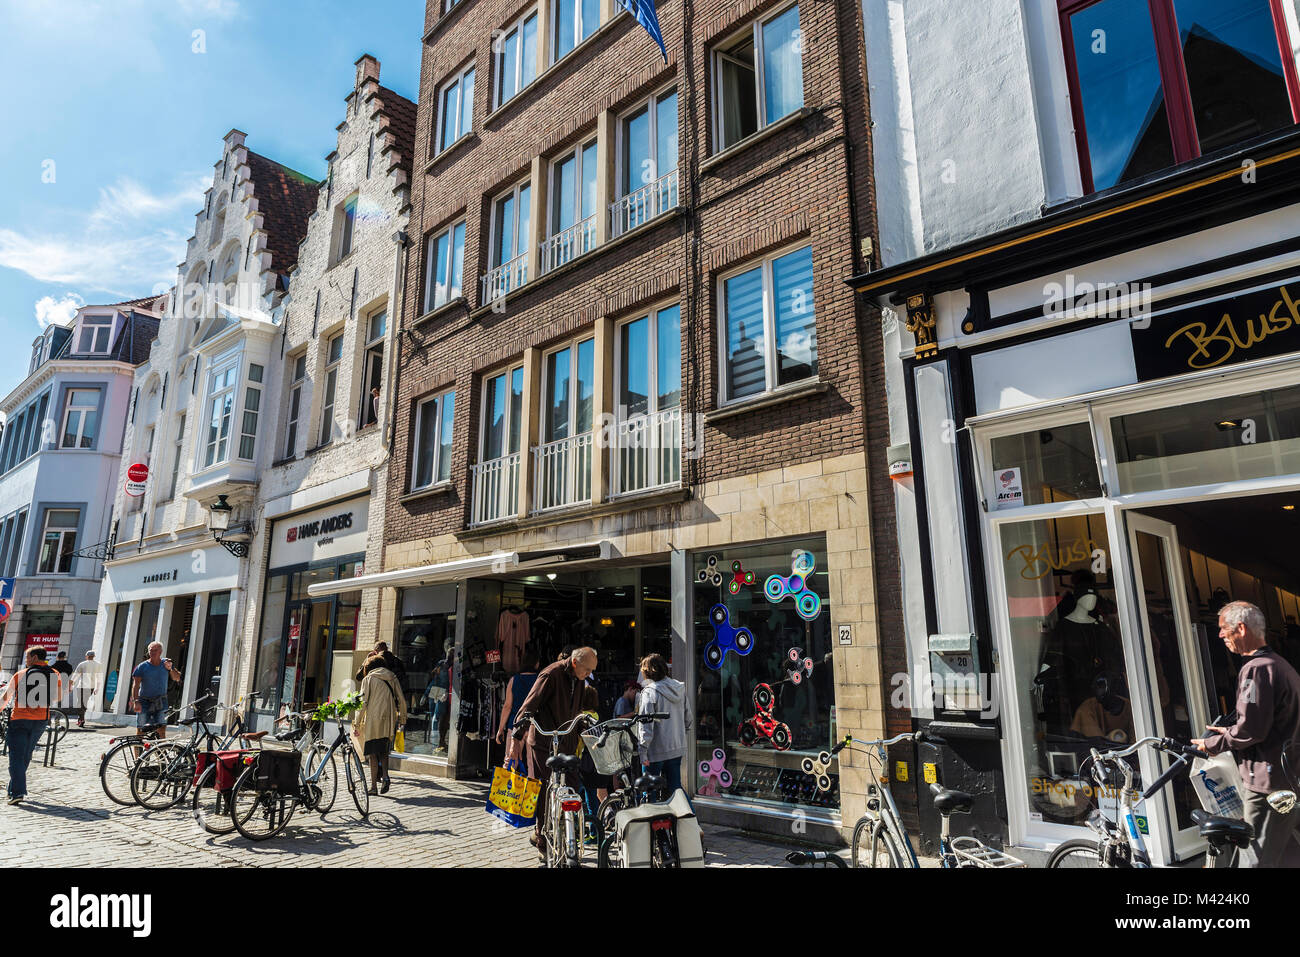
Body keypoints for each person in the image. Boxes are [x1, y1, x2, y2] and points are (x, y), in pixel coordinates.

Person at [1193, 601, 1300, 868]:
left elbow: (1252, 729)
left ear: (1240, 628)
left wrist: (1212, 744)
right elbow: (1267, 722)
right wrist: (1232, 730)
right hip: (1286, 776)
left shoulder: (1256, 669)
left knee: (1254, 860)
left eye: (1223, 629)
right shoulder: (1280, 665)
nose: (1220, 635)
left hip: (1268, 783)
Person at [508, 646, 598, 860]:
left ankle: (568, 832)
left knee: (573, 786)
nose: (588, 676)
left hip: (567, 742)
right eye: (586, 670)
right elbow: (527, 707)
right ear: (575, 663)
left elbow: (577, 712)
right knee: (546, 788)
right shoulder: (550, 674)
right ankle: (541, 837)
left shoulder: (579, 679)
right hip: (543, 741)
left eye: (590, 672)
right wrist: (515, 739)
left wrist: (588, 733)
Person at [1, 647, 62, 805]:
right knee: (26, 755)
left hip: (20, 719)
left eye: (27, 657)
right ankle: (13, 789)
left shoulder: (21, 674)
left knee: (16, 757)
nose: (26, 660)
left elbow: (5, 697)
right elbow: (57, 697)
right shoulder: (54, 673)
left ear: (34, 657)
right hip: (41, 720)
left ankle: (17, 792)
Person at [635, 653, 693, 807]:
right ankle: (692, 823)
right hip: (676, 747)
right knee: (676, 790)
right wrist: (679, 734)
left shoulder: (649, 692)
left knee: (649, 791)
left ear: (647, 672)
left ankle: (651, 828)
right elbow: (689, 719)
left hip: (655, 751)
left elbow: (645, 725)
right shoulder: (679, 688)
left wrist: (642, 750)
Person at [355, 650, 406, 795]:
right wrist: (402, 718)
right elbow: (401, 699)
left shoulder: (368, 679)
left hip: (373, 720)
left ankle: (373, 787)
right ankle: (385, 776)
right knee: (384, 750)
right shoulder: (392, 677)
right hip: (389, 719)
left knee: (372, 753)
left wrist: (357, 723)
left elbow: (363, 703)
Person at [129, 642, 182, 737]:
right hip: (144, 701)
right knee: (141, 730)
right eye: (151, 650)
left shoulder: (166, 663)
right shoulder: (142, 667)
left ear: (160, 652)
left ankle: (159, 751)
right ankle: (139, 750)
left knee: (161, 730)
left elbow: (177, 678)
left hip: (161, 701)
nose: (152, 652)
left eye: (155, 650)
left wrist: (170, 669)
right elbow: (135, 686)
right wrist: (136, 701)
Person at [495, 651, 540, 750]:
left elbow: (507, 706)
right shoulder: (540, 680)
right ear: (537, 664)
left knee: (510, 759)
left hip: (515, 724)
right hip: (533, 725)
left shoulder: (514, 680)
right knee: (532, 762)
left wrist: (501, 729)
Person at [71, 651, 97, 727]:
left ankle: (81, 719)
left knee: (80, 703)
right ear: (93, 656)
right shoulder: (97, 665)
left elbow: (75, 675)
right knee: (84, 703)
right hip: (91, 687)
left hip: (82, 686)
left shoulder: (82, 664)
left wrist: (71, 684)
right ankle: (81, 718)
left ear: (86, 656)